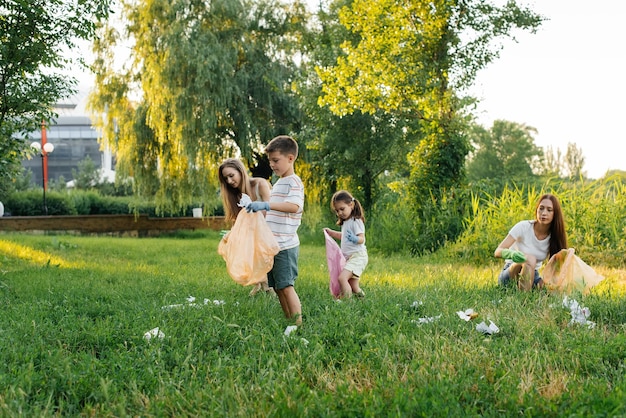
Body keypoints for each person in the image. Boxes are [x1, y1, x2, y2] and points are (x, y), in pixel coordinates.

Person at [245, 135, 304, 326]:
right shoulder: (279, 182)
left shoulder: (293, 182)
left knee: (286, 286)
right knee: (278, 287)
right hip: (274, 246)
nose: (272, 164)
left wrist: (266, 204)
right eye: (270, 160)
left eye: (276, 160)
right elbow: (272, 211)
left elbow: (293, 206)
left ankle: (298, 325)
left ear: (290, 158)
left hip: (286, 246)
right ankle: (289, 321)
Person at [218, 158, 274, 296]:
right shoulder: (235, 194)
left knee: (258, 247)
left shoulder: (260, 184)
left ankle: (267, 284)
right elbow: (238, 219)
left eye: (231, 176)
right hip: (251, 229)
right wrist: (233, 234)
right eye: (226, 179)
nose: (230, 181)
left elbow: (270, 210)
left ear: (240, 171)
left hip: (268, 226)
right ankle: (258, 281)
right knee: (234, 244)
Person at [494, 193, 568, 291]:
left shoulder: (554, 236)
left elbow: (558, 267)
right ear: (536, 209)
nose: (544, 213)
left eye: (549, 210)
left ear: (555, 214)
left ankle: (526, 290)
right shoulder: (523, 227)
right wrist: (512, 254)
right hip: (511, 273)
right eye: (541, 208)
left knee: (553, 290)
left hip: (533, 274)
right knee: (530, 258)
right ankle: (524, 300)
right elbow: (498, 251)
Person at [324, 190, 368, 299]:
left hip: (357, 256)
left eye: (342, 209)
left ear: (351, 205)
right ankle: (364, 301)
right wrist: (331, 233)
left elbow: (362, 239)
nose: (340, 213)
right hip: (351, 257)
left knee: (342, 278)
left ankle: (348, 305)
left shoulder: (355, 221)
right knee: (353, 285)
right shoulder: (346, 222)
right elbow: (344, 236)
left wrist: (355, 238)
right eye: (337, 211)